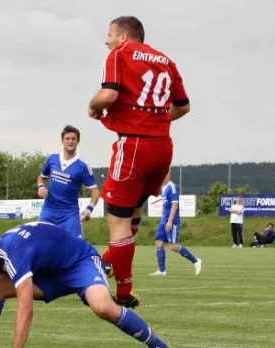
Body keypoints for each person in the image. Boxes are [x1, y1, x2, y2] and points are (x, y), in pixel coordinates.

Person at [0, 222, 175, 348]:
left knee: (103, 308)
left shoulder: (13, 253)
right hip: (50, 273)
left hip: (80, 263)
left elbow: (25, 308)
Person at [87, 16, 191, 308]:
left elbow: (108, 95)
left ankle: (123, 291)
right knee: (131, 214)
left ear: (122, 36)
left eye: (109, 35)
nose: (106, 41)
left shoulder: (119, 55)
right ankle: (106, 262)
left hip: (134, 145)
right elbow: (183, 106)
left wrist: (92, 107)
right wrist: (154, 119)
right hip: (162, 147)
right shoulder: (166, 61)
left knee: (116, 220)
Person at [36, 125, 100, 238]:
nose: (70, 141)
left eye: (73, 139)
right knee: (40, 243)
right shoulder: (52, 159)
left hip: (69, 213)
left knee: (76, 246)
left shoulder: (83, 166)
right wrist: (41, 186)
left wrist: (89, 210)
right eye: (67, 138)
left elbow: (95, 191)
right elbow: (41, 177)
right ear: (62, 141)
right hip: (49, 209)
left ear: (78, 141)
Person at [149, 173, 202, 276]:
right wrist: (162, 216)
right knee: (158, 242)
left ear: (169, 175)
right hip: (164, 219)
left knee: (173, 247)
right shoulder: (163, 187)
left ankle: (196, 261)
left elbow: (175, 204)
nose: (164, 176)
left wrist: (169, 221)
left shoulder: (173, 187)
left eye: (166, 174)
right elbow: (165, 204)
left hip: (171, 221)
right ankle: (162, 270)